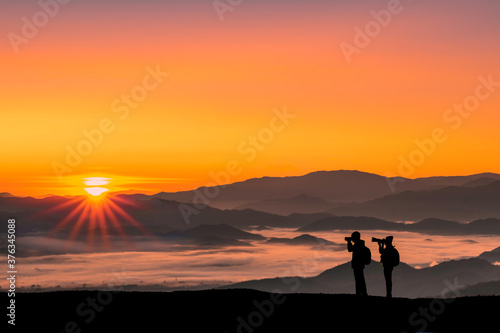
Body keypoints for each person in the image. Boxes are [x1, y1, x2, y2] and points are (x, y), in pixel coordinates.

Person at [346, 231, 368, 296]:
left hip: (357, 264)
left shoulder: (357, 245)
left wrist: (349, 242)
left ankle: (360, 292)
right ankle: (362, 292)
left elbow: (350, 249)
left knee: (358, 279)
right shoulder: (360, 244)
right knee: (360, 279)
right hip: (360, 264)